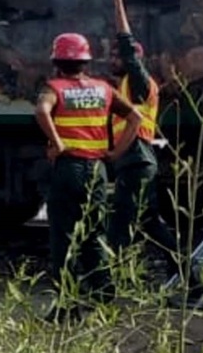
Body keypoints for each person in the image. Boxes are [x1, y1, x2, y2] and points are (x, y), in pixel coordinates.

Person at [34, 32, 141, 319]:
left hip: (68, 169)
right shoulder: (104, 88)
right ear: (86, 61)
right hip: (97, 170)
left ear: (57, 61)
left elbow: (41, 111)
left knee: (63, 239)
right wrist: (116, 153)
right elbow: (136, 118)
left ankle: (67, 308)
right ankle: (105, 298)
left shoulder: (53, 88)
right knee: (95, 234)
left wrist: (57, 143)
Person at [107, 0, 177, 275]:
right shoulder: (128, 84)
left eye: (116, 56)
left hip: (134, 158)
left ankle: (104, 286)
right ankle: (188, 273)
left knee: (119, 225)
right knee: (150, 222)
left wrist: (118, 1)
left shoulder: (137, 81)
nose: (112, 58)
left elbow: (126, 44)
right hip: (140, 159)